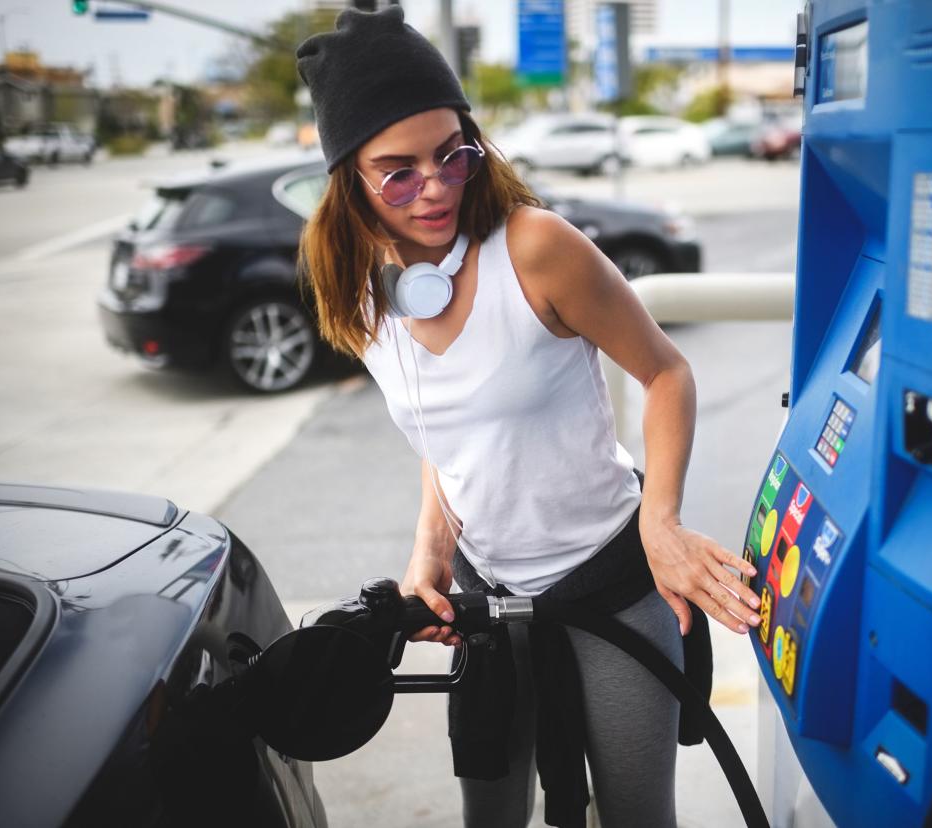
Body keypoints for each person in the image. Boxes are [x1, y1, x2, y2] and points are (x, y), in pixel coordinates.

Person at [295, 8, 761, 827]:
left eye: (452, 154)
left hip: (611, 591)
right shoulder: (363, 294)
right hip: (487, 604)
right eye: (397, 172)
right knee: (491, 813)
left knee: (635, 816)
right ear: (348, 179)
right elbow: (446, 443)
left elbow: (667, 372)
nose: (436, 187)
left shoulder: (535, 247)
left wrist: (663, 521)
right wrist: (430, 551)